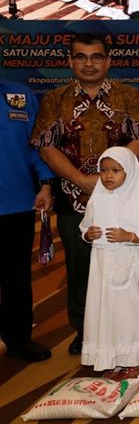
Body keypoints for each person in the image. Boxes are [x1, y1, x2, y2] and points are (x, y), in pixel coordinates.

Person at [32, 33, 139, 355]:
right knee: (80, 265)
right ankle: (85, 331)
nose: (89, 63)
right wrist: (82, 180)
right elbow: (46, 147)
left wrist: (109, 175)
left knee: (125, 263)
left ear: (108, 61)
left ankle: (128, 330)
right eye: (81, 57)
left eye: (96, 56)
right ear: (70, 61)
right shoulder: (55, 99)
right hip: (74, 198)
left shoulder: (129, 96)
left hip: (122, 201)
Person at [79, 147, 139, 379]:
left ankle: (133, 359)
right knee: (103, 310)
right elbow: (85, 225)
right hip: (101, 263)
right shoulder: (98, 198)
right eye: (104, 170)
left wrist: (129, 236)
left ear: (129, 172)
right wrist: (88, 234)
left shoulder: (137, 199)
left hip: (128, 261)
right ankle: (110, 357)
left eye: (115, 170)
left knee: (128, 311)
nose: (108, 176)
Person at [0, 78, 54, 363]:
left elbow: (37, 146)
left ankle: (18, 338)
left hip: (17, 202)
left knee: (17, 277)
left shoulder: (20, 95)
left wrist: (46, 184)